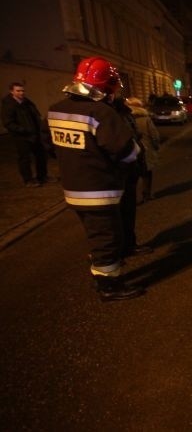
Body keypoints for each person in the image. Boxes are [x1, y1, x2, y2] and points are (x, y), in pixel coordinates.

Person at [46, 56, 144, 301]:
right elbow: (128, 152)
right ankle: (109, 286)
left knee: (97, 235)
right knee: (107, 239)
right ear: (105, 86)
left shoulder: (55, 110)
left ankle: (105, 275)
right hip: (100, 191)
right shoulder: (101, 113)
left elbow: (50, 148)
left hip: (72, 189)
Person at [1, 82, 52, 187]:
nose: (21, 93)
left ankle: (42, 176)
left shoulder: (27, 102)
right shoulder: (9, 105)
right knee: (25, 158)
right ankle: (28, 180)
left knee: (41, 156)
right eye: (18, 91)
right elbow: (8, 122)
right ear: (12, 91)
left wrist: (40, 126)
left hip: (34, 134)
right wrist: (23, 130)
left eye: (22, 90)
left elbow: (35, 115)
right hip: (21, 137)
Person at [126, 97, 160, 202]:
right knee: (147, 174)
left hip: (131, 150)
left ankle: (132, 198)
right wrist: (156, 145)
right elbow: (154, 134)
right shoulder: (145, 119)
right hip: (146, 149)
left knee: (132, 176)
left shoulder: (125, 118)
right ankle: (146, 194)